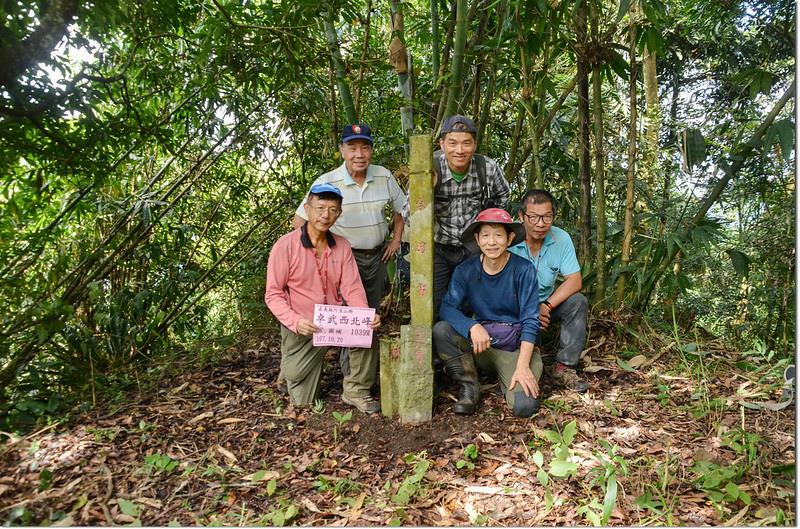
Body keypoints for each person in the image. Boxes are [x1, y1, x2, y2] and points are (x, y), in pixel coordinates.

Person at [292, 124, 407, 379]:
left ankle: (360, 375)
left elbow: (402, 209)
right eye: (352, 147)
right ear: (342, 150)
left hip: (376, 257)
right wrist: (321, 255)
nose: (359, 154)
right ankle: (350, 375)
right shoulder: (326, 181)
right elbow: (300, 222)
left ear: (372, 151)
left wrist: (396, 240)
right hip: (341, 259)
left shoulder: (383, 176)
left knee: (369, 314)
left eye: (365, 147)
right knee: (347, 315)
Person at [266, 183, 382, 413]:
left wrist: (363, 315)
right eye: (320, 208)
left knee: (367, 329)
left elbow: (352, 288)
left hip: (333, 320)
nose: (325, 215)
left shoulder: (342, 245)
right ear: (307, 209)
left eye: (332, 210)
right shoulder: (285, 245)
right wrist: (295, 321)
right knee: (303, 402)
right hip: (304, 324)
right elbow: (273, 294)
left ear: (339, 214)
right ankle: (289, 371)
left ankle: (356, 390)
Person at [432, 208, 542, 418]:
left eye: (498, 235)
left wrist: (522, 366)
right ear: (477, 239)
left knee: (524, 407)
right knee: (442, 330)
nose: (492, 242)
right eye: (486, 235)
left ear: (510, 238)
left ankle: (506, 375)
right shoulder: (466, 270)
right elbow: (447, 307)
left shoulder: (523, 269)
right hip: (482, 345)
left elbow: (531, 320)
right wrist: (472, 326)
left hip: (515, 348)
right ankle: (469, 386)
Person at [429, 115, 511, 321]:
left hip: (471, 247)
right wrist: (427, 191)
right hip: (438, 247)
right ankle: (441, 341)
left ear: (474, 144)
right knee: (436, 306)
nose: (459, 150)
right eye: (452, 143)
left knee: (469, 303)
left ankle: (466, 339)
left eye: (466, 143)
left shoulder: (486, 167)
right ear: (442, 144)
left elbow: (503, 194)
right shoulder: (430, 169)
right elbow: (409, 216)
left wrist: (487, 227)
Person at [508, 189, 590, 393]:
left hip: (546, 307)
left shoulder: (561, 238)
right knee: (529, 359)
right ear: (521, 216)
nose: (540, 223)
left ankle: (565, 368)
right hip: (515, 309)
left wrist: (545, 306)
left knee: (577, 301)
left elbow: (574, 280)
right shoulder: (509, 239)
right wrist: (530, 312)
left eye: (547, 217)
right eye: (533, 217)